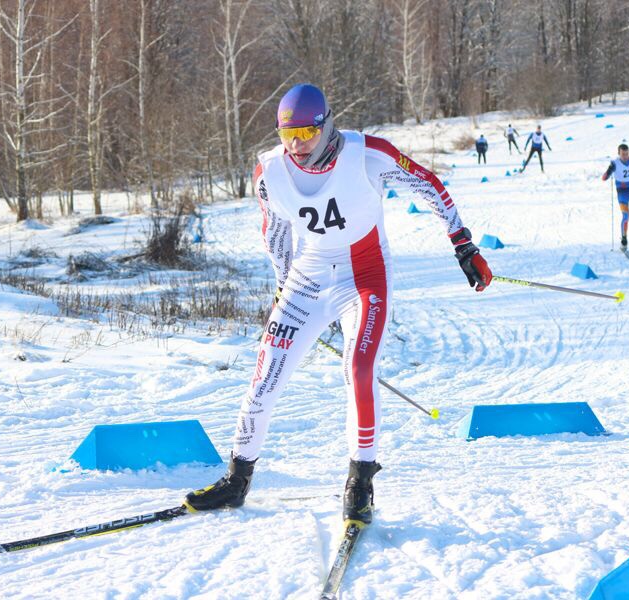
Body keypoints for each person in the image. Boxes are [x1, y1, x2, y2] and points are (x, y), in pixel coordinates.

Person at [184, 84, 493, 525]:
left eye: (305, 135)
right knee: (265, 373)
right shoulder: (268, 172)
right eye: (288, 136)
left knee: (359, 369)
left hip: (364, 277)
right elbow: (274, 233)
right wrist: (281, 286)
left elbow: (429, 186)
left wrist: (463, 245)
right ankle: (237, 480)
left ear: (326, 125)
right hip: (306, 279)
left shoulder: (367, 155)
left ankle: (360, 482)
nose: (297, 146)